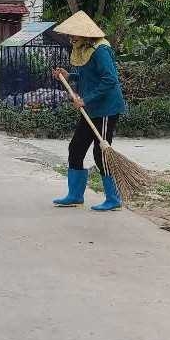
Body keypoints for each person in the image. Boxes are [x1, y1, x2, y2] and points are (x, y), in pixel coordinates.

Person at [50, 11, 127, 211]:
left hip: (106, 108)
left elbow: (110, 80)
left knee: (101, 151)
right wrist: (70, 76)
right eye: (70, 34)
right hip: (91, 109)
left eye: (73, 34)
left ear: (85, 34)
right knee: (75, 148)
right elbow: (89, 76)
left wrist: (86, 99)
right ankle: (75, 195)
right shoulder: (83, 48)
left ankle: (113, 198)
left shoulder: (100, 50)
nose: (70, 37)